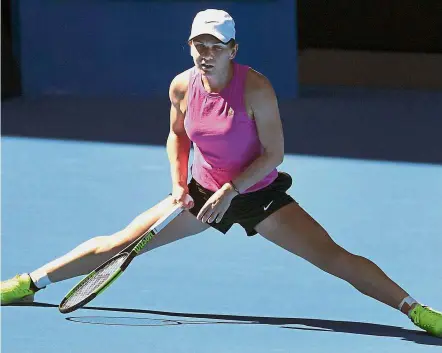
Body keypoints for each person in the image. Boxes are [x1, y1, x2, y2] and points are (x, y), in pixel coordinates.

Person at [1, 9, 441, 337]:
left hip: (256, 194)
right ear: (190, 46)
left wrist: (232, 189)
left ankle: (415, 310)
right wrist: (178, 184)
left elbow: (274, 154)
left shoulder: (256, 89)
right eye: (199, 45)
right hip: (199, 194)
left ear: (233, 50)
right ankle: (29, 283)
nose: (206, 55)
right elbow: (178, 136)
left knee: (331, 257)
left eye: (216, 47)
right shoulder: (181, 85)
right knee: (119, 242)